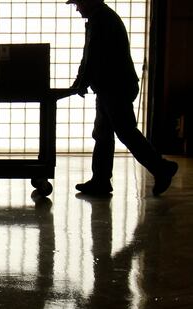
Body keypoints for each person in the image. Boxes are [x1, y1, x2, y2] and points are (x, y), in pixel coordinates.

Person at [68, 0, 178, 196]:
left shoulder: (101, 20)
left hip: (115, 86)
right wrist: (80, 81)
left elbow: (92, 56)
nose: (77, 8)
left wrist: (81, 82)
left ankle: (162, 168)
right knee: (103, 134)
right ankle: (100, 180)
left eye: (78, 3)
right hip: (110, 86)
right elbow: (90, 56)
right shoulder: (102, 17)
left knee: (125, 132)